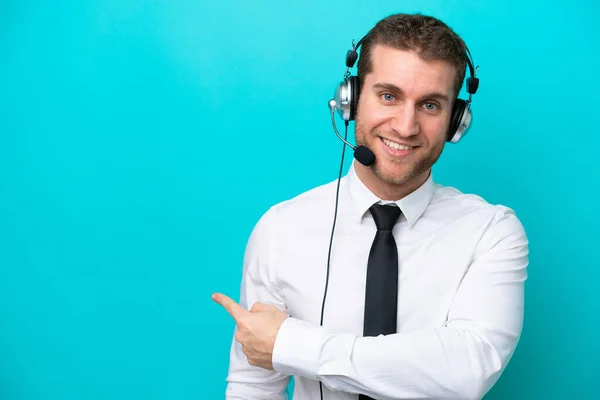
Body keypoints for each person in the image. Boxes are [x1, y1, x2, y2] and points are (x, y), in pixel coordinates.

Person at [213, 12, 529, 400]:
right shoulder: (281, 229)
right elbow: (253, 386)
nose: (406, 126)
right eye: (389, 96)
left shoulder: (491, 231)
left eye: (430, 105)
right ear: (352, 98)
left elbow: (468, 369)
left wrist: (291, 344)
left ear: (455, 121)